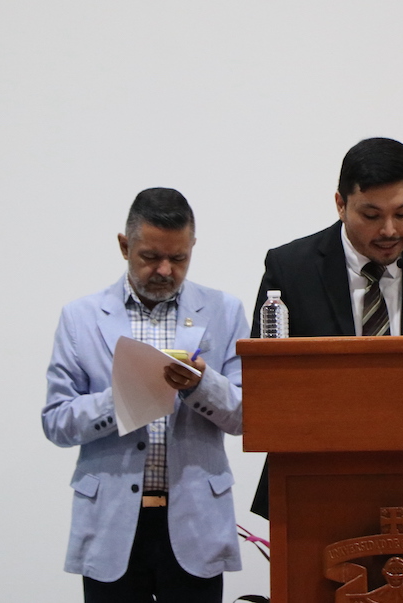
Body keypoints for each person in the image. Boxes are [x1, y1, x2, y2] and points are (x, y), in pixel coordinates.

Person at [249, 137, 403, 518]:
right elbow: (265, 386)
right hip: (315, 484)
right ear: (340, 204)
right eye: (371, 215)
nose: (389, 230)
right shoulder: (291, 270)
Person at [42, 187, 248, 603]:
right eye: (150, 257)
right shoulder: (80, 317)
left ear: (192, 247)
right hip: (111, 523)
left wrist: (201, 384)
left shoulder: (225, 311)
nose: (165, 270)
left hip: (196, 522)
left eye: (179, 258)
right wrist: (121, 398)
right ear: (124, 246)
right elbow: (57, 422)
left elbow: (250, 416)